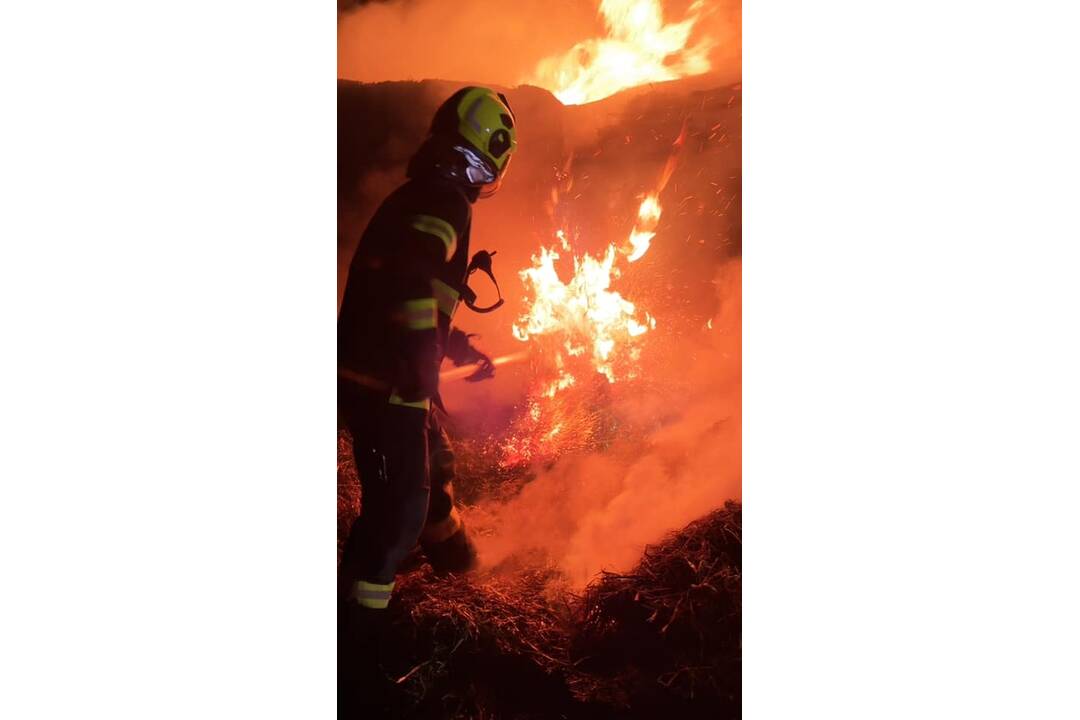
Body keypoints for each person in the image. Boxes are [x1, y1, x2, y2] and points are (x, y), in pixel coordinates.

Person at [337, 86, 517, 714]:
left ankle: (459, 567)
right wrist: (418, 378)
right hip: (383, 387)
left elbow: (419, 288)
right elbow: (413, 287)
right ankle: (352, 675)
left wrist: (455, 346)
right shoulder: (444, 201)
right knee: (394, 519)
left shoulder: (425, 195)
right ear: (484, 156)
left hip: (387, 377)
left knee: (434, 470)